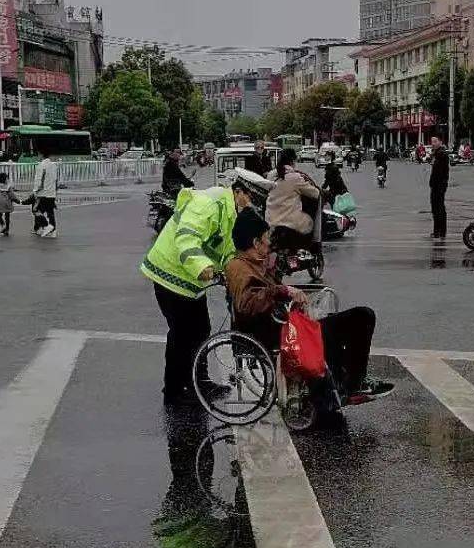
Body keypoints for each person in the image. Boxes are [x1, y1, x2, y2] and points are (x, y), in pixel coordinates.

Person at [224, 209, 394, 407]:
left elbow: (268, 292)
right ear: (255, 243)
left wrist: (277, 277)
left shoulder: (254, 263)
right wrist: (282, 290)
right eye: (265, 238)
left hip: (285, 324)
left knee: (362, 316)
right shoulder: (238, 267)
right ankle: (347, 386)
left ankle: (349, 383)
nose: (268, 243)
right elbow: (247, 304)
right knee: (352, 320)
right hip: (274, 332)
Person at [140, 174, 258, 406]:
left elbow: (226, 250)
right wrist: (201, 266)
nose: (252, 204)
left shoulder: (231, 212)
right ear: (239, 192)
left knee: (201, 329)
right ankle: (173, 391)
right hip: (170, 274)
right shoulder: (209, 203)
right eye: (251, 198)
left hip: (190, 282)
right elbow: (187, 238)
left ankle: (199, 381)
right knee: (181, 334)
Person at [265, 147, 320, 248]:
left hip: (271, 222)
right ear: (293, 160)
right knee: (309, 224)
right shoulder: (295, 177)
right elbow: (315, 193)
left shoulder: (271, 175)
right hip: (291, 224)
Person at [31, 147, 59, 238]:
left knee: (36, 210)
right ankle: (53, 230)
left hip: (43, 193)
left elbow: (39, 180)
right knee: (50, 212)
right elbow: (55, 180)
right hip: (51, 192)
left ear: (41, 155)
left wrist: (35, 190)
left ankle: (46, 226)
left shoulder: (41, 166)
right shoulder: (53, 165)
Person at [428, 135, 449, 239]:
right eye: (432, 141)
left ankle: (440, 231)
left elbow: (440, 172)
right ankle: (437, 231)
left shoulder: (441, 154)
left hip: (439, 185)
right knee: (435, 208)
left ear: (440, 142)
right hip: (436, 185)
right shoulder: (436, 154)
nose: (433, 143)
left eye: (435, 141)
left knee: (439, 208)